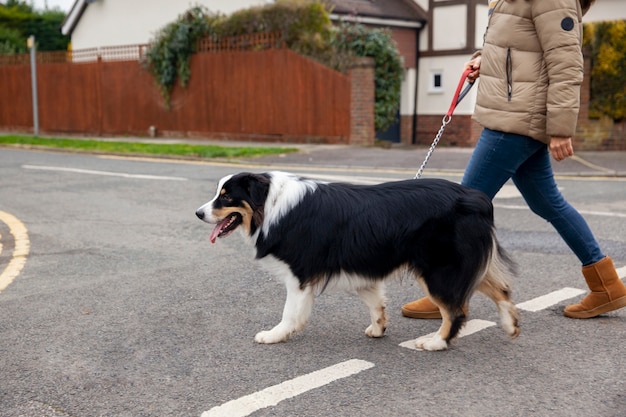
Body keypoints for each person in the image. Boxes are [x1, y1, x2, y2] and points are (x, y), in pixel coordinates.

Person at [402, 0, 626, 320]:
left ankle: (450, 291)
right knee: (547, 203)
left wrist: (561, 129)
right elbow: (515, 49)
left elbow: (566, 63)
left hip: (516, 121)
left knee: (462, 206)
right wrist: (484, 60)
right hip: (515, 114)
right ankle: (606, 286)